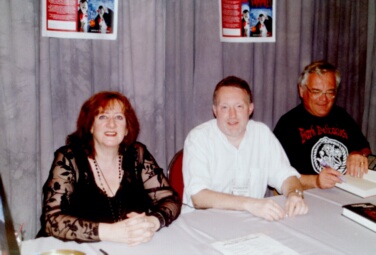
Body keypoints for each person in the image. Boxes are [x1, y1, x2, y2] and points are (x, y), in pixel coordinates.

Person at [37, 91, 181, 245]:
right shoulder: (69, 158)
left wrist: (152, 222)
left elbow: (170, 199)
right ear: (91, 127)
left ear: (126, 129)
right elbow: (51, 220)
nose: (111, 124)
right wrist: (111, 232)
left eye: (119, 117)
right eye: (102, 117)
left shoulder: (137, 155)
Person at [182, 76, 308, 221]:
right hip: (204, 222)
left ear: (250, 109)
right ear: (215, 110)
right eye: (224, 107)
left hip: (251, 222)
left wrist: (295, 194)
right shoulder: (199, 138)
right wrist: (250, 204)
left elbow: (286, 176)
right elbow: (199, 197)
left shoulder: (262, 134)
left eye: (239, 106)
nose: (232, 115)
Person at [274, 61, 372, 190]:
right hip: (309, 195)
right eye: (316, 91)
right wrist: (316, 181)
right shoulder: (288, 124)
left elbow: (365, 148)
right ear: (302, 91)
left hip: (349, 190)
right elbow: (277, 174)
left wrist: (356, 153)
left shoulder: (341, 116)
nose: (324, 99)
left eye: (329, 92)